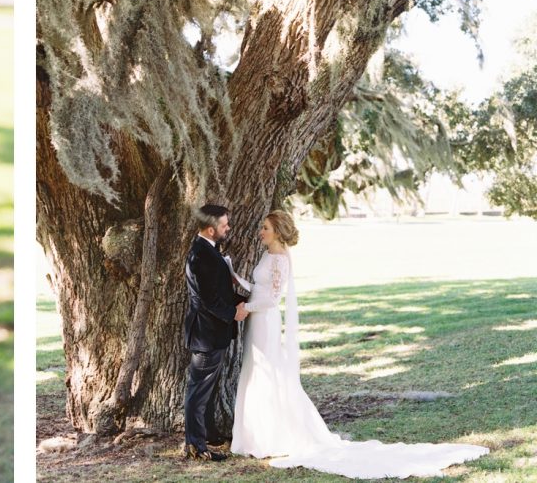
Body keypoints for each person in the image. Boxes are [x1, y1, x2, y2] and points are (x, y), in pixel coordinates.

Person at [230, 209, 489, 477]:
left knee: (269, 373)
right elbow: (258, 287)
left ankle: (271, 436)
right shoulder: (267, 254)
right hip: (255, 320)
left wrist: (246, 307)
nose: (261, 232)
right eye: (262, 228)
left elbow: (271, 300)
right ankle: (256, 434)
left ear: (278, 232)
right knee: (255, 371)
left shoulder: (281, 259)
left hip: (265, 320)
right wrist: (235, 278)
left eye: (266, 229)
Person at [181, 204, 248, 462]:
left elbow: (218, 291)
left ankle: (209, 434)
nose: (228, 228)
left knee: (206, 391)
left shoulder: (209, 250)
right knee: (198, 392)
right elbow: (208, 300)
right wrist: (233, 313)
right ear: (211, 229)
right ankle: (197, 447)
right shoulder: (201, 255)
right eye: (224, 225)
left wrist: (248, 296)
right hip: (206, 335)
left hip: (212, 333)